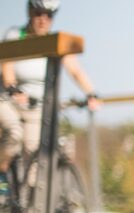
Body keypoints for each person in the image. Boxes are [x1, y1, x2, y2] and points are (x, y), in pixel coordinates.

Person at [2, 0, 100, 172]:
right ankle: (2, 180)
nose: (43, 19)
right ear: (30, 12)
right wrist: (13, 89)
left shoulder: (55, 41)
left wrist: (91, 93)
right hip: (9, 100)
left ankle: (29, 196)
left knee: (34, 155)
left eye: (49, 15)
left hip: (37, 106)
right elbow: (6, 66)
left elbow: (75, 70)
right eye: (38, 13)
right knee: (14, 135)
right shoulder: (15, 35)